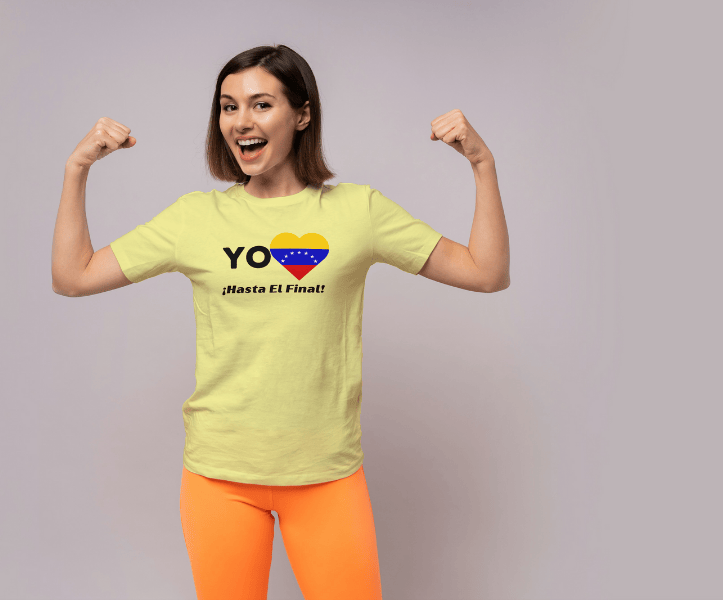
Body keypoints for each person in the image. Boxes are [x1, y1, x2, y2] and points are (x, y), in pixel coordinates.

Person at [51, 44, 509, 600]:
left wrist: (482, 165)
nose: (241, 121)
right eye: (227, 106)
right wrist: (76, 170)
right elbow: (73, 276)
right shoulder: (195, 218)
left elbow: (486, 272)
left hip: (326, 475)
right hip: (219, 476)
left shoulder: (357, 211)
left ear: (302, 114)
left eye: (261, 104)